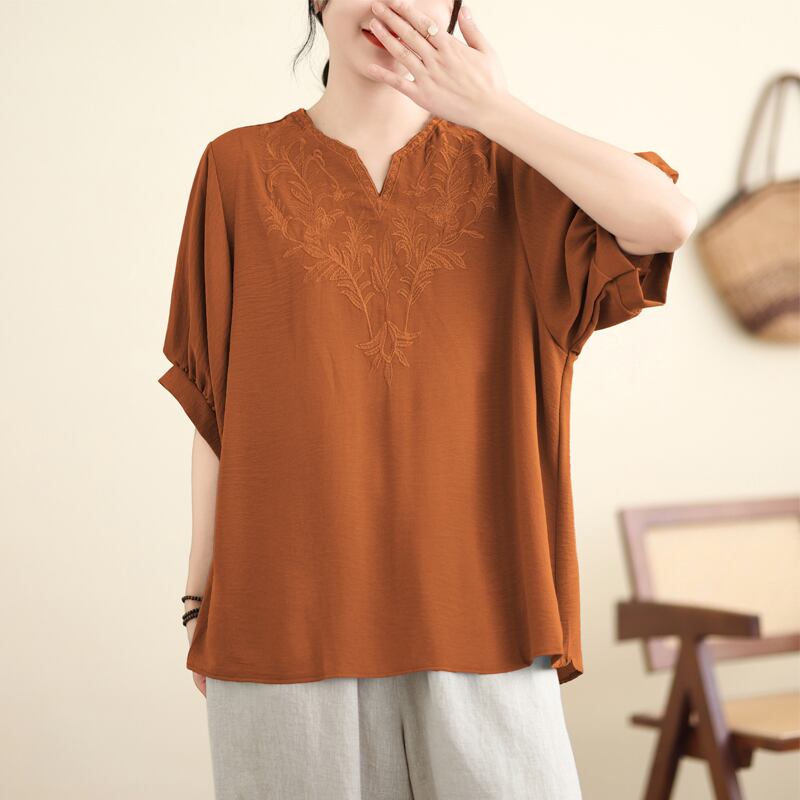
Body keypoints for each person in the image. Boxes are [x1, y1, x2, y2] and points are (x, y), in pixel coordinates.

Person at [158, 0, 696, 797]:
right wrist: (200, 595)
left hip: (484, 610)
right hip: (284, 616)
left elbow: (667, 220)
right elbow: (215, 404)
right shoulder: (235, 169)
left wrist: (494, 108)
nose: (391, 6)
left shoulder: (514, 170)